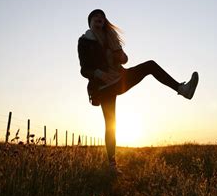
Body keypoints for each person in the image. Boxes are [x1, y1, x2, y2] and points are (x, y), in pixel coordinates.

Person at [77, 9, 199, 174]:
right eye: (96, 16)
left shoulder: (110, 38)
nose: (100, 18)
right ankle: (112, 165)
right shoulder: (85, 41)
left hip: (120, 78)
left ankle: (182, 89)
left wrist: (121, 56)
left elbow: (124, 59)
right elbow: (84, 69)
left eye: (102, 17)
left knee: (150, 65)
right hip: (103, 87)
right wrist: (98, 74)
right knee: (111, 124)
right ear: (90, 22)